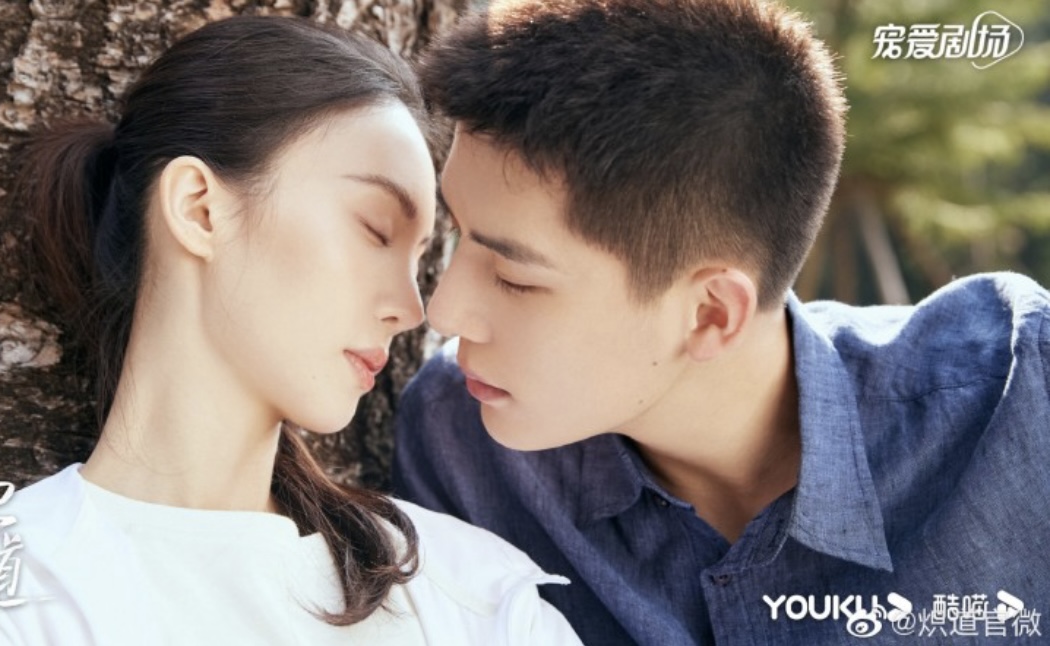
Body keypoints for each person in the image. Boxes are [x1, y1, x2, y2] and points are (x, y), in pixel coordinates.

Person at [0, 16, 581, 645]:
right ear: (199, 209)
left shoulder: (472, 594)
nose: (412, 308)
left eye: (420, 261)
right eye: (375, 230)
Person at [392, 0, 1050, 644]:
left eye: (515, 277)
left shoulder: (1019, 394)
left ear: (711, 314)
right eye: (457, 233)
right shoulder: (460, 444)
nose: (441, 311)